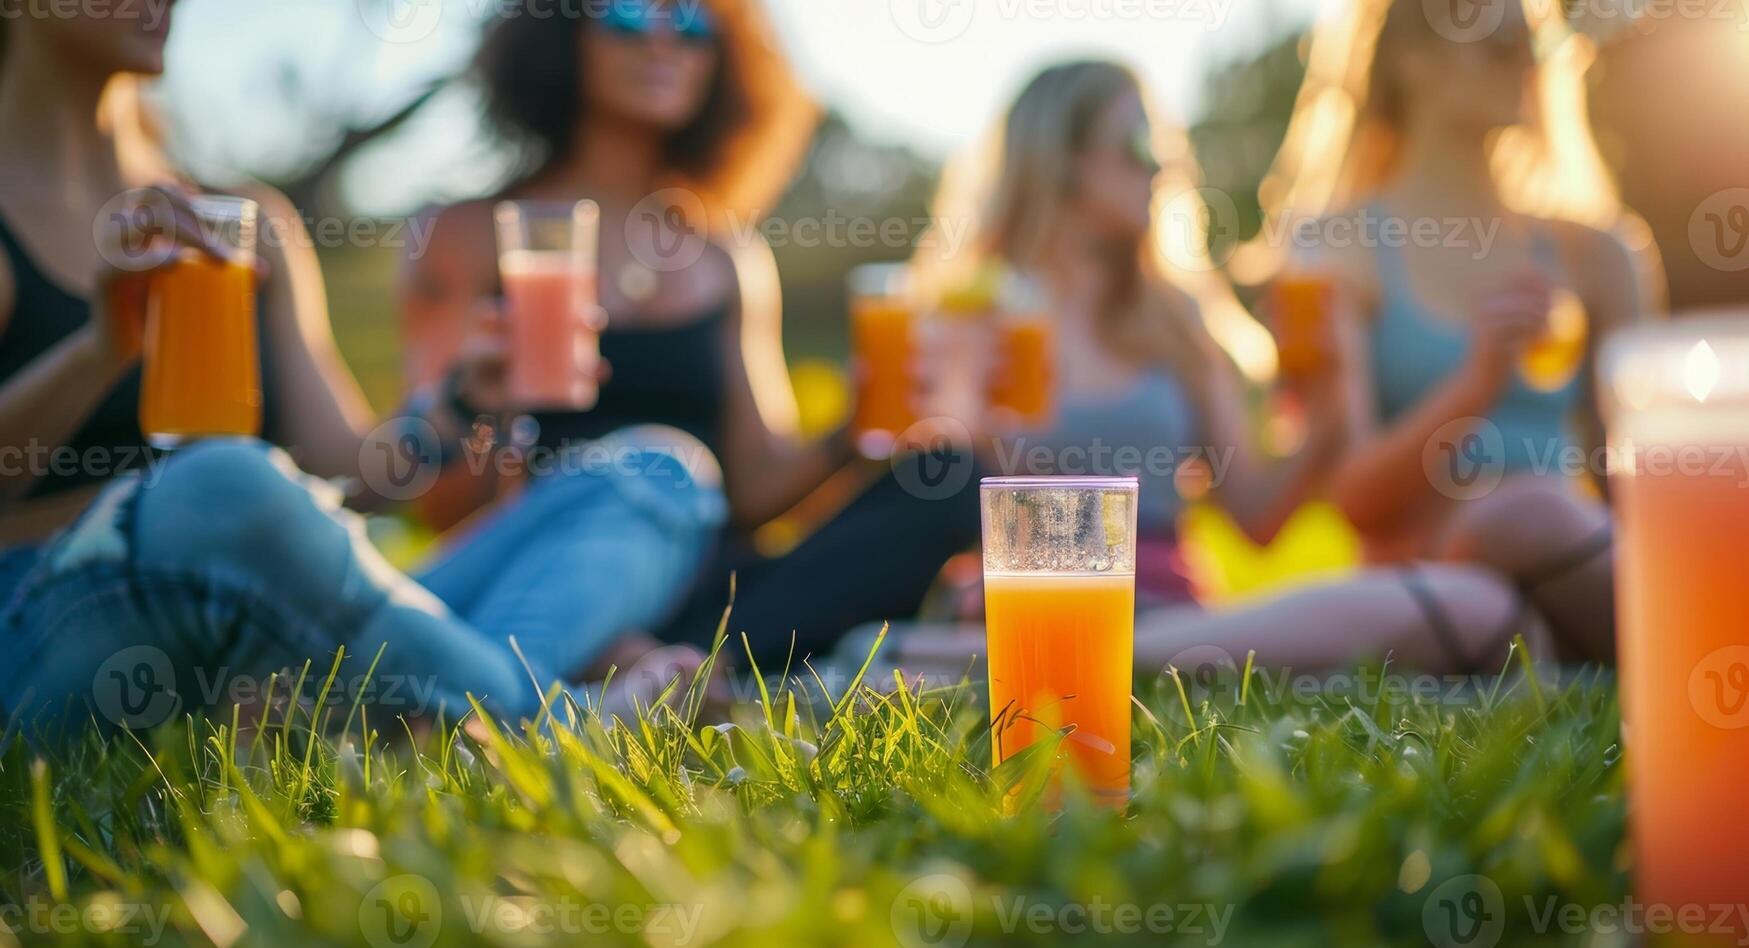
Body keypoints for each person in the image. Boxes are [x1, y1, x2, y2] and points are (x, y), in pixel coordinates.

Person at [0, 4, 722, 734]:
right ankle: (546, 724)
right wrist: (98, 353)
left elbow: (350, 477)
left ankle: (444, 713)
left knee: (660, 471)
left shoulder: (241, 221)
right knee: (222, 480)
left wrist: (459, 404)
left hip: (279, 618)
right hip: (47, 619)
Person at [877, 60, 1540, 677]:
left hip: (1167, 610)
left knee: (1464, 608)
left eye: (1167, 152)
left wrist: (1332, 413)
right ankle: (1038, 649)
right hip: (1022, 589)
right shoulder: (973, 314)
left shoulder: (1176, 318)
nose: (1162, 171)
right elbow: (921, 493)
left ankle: (1000, 661)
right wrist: (959, 417)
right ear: (1064, 163)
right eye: (1139, 149)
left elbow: (1256, 517)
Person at [403, 0, 981, 668]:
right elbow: (438, 509)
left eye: (691, 24)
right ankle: (715, 665)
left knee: (950, 477)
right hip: (553, 576)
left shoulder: (722, 254)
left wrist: (856, 426)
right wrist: (483, 412)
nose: (661, 42)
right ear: (560, 36)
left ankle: (683, 666)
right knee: (651, 473)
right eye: (625, 15)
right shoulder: (470, 235)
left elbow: (750, 492)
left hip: (708, 586)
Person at [1240, 0, 1663, 663]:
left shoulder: (1596, 254)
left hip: (1564, 587)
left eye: (1533, 48)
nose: (1522, 65)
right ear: (1413, 63)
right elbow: (1354, 497)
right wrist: (1477, 380)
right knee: (1523, 515)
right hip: (1427, 588)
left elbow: (1636, 480)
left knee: (1538, 518)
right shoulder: (1335, 248)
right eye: (1496, 48)